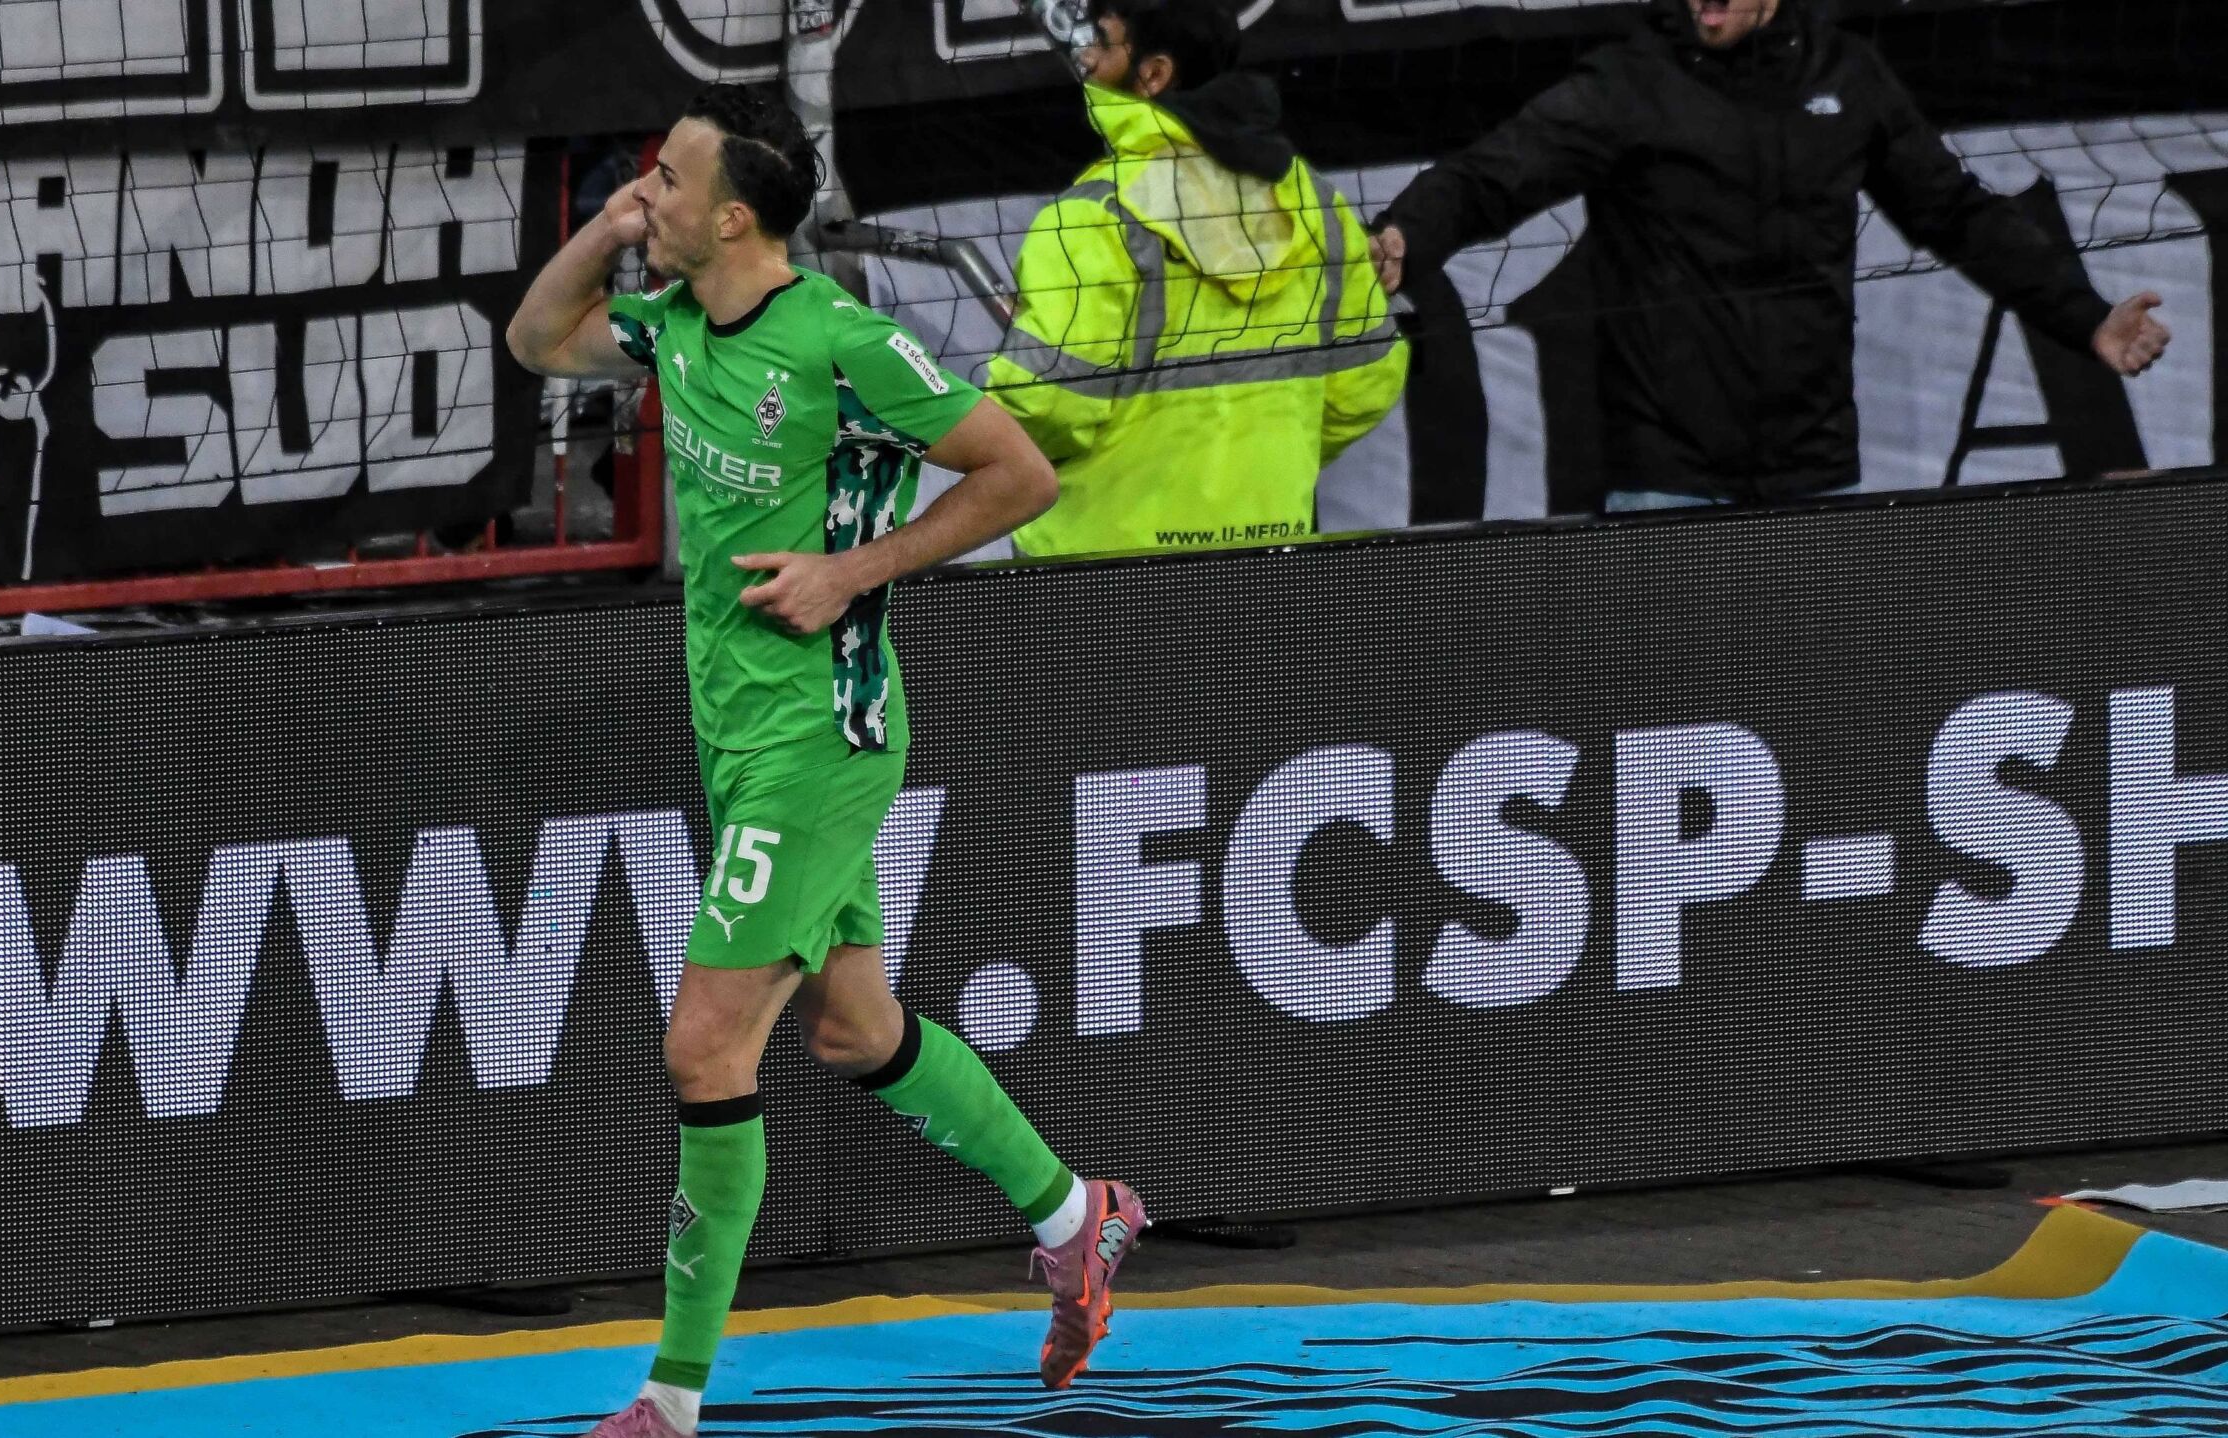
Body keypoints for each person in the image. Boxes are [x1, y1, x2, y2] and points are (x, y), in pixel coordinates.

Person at [506, 84, 1149, 1438]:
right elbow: (538, 337)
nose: (648, 192)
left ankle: (670, 1399)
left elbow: (1020, 474)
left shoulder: (844, 343)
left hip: (818, 737)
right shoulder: (677, 324)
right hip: (738, 735)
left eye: (669, 180)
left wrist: (853, 571)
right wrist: (610, 229)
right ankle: (1074, 1214)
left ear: (737, 216)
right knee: (855, 1027)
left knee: (703, 1048)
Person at [1374, 0, 2171, 511]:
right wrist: (1409, 233)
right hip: (1667, 481)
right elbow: (1491, 177)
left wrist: (2086, 318)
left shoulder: (1845, 75)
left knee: (1812, 710)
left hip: (1814, 474)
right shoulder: (1629, 84)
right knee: (1673, 712)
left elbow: (1958, 213)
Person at [987, 0, 1407, 556]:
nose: (1085, 56)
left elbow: (1042, 409)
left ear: (1154, 74)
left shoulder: (1091, 220)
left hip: (1100, 568)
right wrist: (1261, 471)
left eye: (1103, 42)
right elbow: (1366, 386)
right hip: (1269, 552)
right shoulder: (1316, 206)